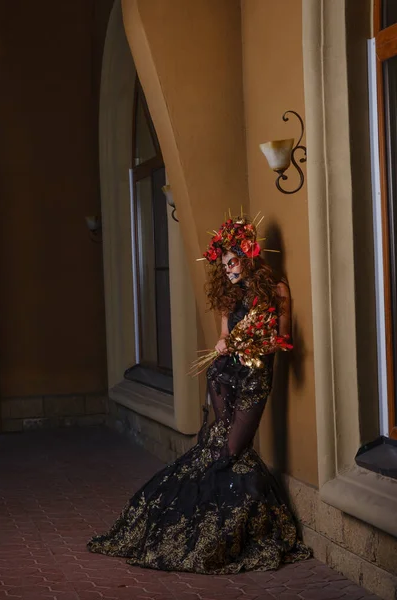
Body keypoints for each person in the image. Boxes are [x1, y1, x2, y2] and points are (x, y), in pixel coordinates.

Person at [87, 215, 311, 574]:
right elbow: (221, 336)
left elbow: (283, 341)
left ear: (248, 255)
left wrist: (253, 341)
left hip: (255, 378)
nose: (228, 271)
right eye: (223, 266)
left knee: (233, 449)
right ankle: (208, 524)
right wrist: (226, 342)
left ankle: (220, 523)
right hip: (223, 374)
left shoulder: (277, 290)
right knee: (217, 444)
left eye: (233, 262)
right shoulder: (228, 295)